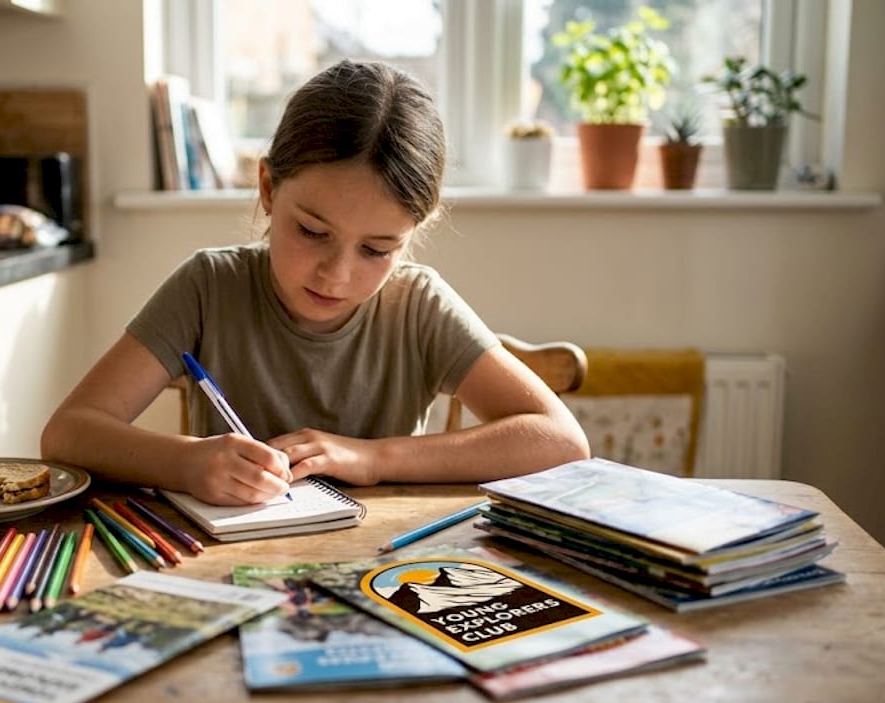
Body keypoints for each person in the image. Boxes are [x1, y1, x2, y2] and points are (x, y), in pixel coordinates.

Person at [41, 59, 589, 506]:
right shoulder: (209, 286)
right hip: (231, 569)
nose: (338, 274)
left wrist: (375, 458)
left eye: (378, 249)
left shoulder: (418, 305)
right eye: (311, 231)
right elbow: (68, 432)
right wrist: (185, 462)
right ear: (268, 190)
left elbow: (561, 441)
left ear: (411, 234)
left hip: (384, 568)